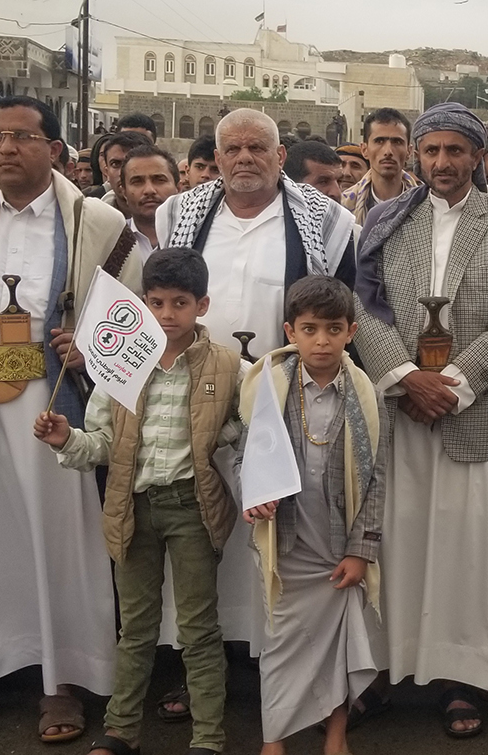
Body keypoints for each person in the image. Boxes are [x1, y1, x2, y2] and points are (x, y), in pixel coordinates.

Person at [0, 95, 139, 751]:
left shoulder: (94, 220)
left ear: (54, 149)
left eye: (23, 136)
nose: (7, 147)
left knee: (57, 540)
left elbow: (131, 322)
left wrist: (88, 353)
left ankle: (60, 681)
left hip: (54, 404)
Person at [351, 102, 488, 739]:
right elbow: (362, 309)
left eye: (456, 151)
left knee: (466, 548)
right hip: (403, 410)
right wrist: (406, 378)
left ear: (477, 156)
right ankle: (384, 670)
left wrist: (451, 387)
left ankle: (462, 678)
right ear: (415, 156)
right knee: (395, 541)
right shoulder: (384, 220)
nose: (442, 163)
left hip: (473, 409)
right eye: (431, 151)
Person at [152, 107, 358, 671]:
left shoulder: (328, 222)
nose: (245, 158)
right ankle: (195, 662)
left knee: (273, 525)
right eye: (233, 150)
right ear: (215, 160)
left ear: (279, 156)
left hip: (283, 402)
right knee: (195, 529)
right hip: (194, 395)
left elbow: (343, 311)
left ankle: (271, 660)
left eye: (257, 148)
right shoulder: (177, 214)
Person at [34, 247, 244, 755]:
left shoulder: (225, 364)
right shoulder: (122, 362)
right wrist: (67, 440)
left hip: (193, 508)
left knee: (198, 631)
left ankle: (208, 740)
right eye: (156, 303)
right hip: (132, 507)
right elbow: (103, 444)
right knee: (136, 630)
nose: (168, 314)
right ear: (142, 305)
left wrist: (222, 435)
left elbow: (247, 425)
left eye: (180, 303)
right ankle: (122, 730)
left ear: (202, 304)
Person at [231, 275, 388, 755]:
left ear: (352, 332)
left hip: (337, 542)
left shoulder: (364, 392)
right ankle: (272, 750)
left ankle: (335, 744)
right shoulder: (267, 385)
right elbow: (243, 454)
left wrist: (361, 551)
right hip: (286, 540)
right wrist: (253, 494)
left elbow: (377, 476)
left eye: (334, 329)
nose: (321, 340)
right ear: (290, 331)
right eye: (310, 329)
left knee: (339, 642)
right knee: (280, 643)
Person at [343, 110, 417, 225]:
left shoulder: (426, 203)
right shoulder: (344, 207)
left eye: (397, 142)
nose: (388, 151)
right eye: (379, 141)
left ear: (409, 151)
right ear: (364, 150)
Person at [119, 143, 178, 257]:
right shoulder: (112, 241)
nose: (149, 190)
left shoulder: (197, 237)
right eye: (137, 181)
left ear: (178, 188)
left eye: (159, 180)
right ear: (124, 192)